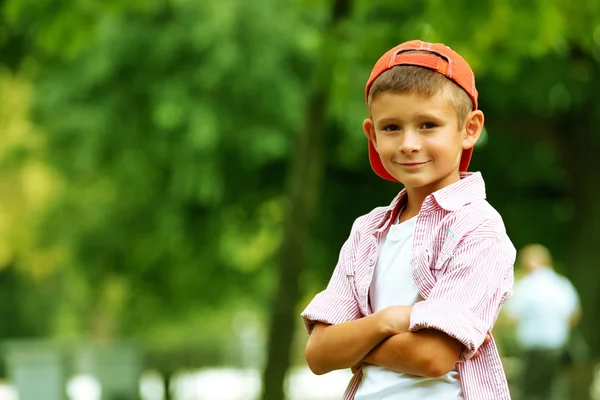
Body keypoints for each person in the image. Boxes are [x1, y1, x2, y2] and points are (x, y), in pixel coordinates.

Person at [300, 40, 516, 400]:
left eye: (428, 124)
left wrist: (353, 343)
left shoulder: (478, 228)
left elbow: (432, 356)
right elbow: (319, 354)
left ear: (469, 129)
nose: (408, 144)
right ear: (371, 133)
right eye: (391, 128)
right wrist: (388, 320)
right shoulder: (366, 232)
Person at [504, 244, 581, 400]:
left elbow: (511, 317)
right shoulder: (562, 284)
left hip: (533, 348)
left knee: (530, 392)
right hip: (557, 347)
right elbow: (574, 314)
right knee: (553, 389)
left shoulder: (525, 286)